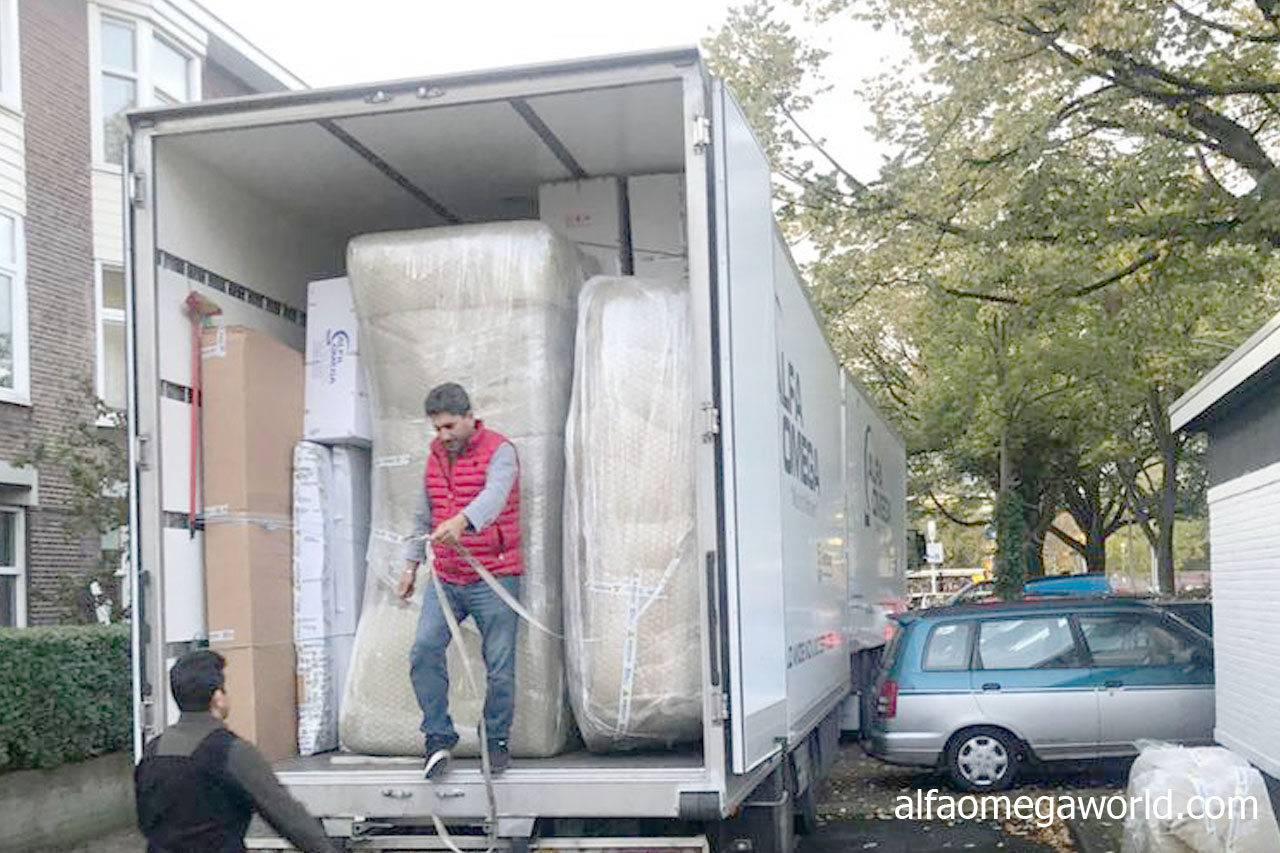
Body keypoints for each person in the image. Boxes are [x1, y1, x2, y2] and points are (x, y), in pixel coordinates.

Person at [395, 381, 522, 778]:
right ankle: (437, 736)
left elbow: (496, 496)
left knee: (499, 666)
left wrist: (463, 521)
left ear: (469, 417)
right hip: (447, 578)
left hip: (494, 576)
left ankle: (495, 739)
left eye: (450, 426)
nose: (443, 435)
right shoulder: (435, 456)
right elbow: (424, 512)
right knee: (423, 651)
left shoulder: (500, 450)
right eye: (437, 429)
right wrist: (410, 566)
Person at [133, 650, 339, 853]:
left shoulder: (153, 750)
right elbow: (289, 819)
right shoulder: (231, 751)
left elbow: (145, 821)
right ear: (218, 697)